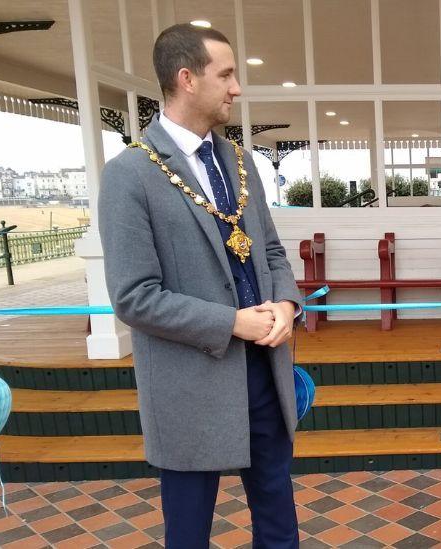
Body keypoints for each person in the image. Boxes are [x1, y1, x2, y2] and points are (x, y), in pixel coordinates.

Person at [99, 24, 301, 548]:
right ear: (186, 79)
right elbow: (133, 296)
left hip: (264, 375)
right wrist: (231, 322)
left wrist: (284, 302)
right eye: (227, 74)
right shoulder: (129, 175)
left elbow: (272, 252)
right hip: (188, 390)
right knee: (188, 536)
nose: (237, 88)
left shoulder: (240, 161)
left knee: (280, 530)